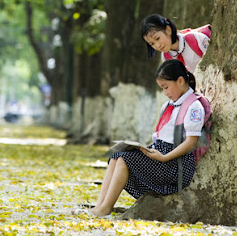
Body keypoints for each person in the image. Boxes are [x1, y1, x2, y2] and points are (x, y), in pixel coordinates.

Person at [88, 60, 205, 217]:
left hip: (175, 164)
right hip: (160, 153)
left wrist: (164, 158)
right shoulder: (170, 105)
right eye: (161, 88)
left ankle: (105, 209)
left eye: (166, 87)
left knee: (125, 159)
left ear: (180, 81)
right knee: (116, 157)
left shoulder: (193, 106)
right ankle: (99, 205)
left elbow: (191, 142)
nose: (165, 92)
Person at [140, 14, 210, 74]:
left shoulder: (196, 39)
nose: (157, 45)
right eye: (152, 43)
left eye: (158, 38)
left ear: (168, 30)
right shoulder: (166, 57)